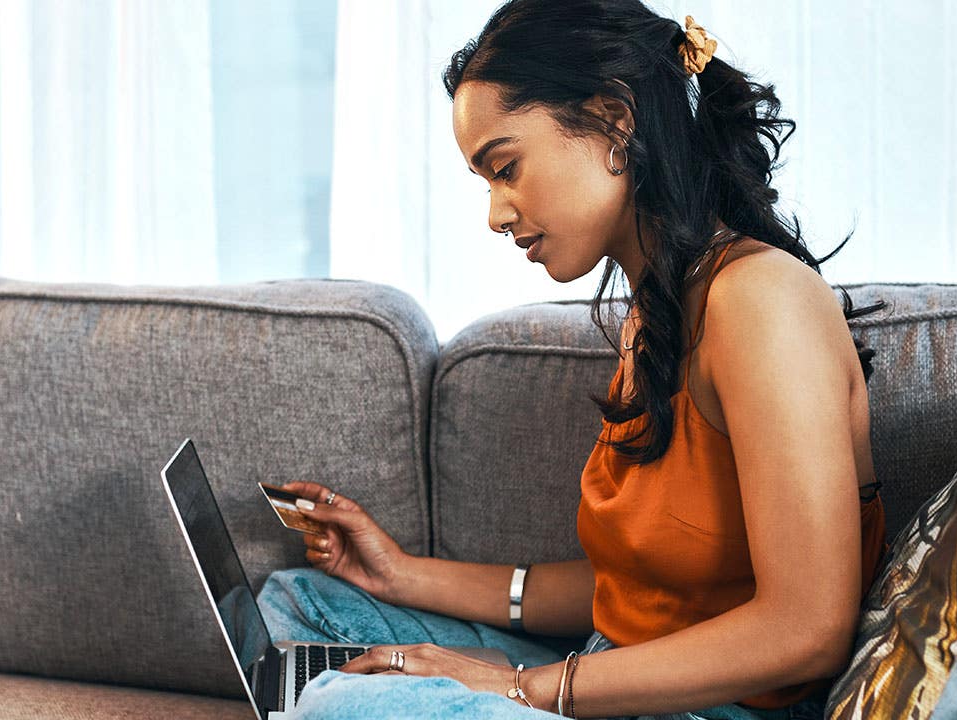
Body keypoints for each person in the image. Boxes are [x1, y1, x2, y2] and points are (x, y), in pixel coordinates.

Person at [255, 1, 890, 717]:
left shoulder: (762, 300)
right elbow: (633, 592)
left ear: (615, 121)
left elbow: (807, 630)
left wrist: (522, 689)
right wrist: (401, 576)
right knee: (299, 602)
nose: (496, 214)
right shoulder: (658, 307)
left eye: (506, 167)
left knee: (342, 704)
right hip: (608, 669)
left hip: (711, 706)